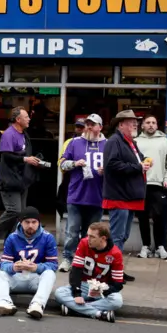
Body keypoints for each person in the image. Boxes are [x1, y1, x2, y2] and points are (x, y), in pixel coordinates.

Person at [102, 110, 151, 282]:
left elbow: (135, 161)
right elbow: (112, 165)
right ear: (120, 124)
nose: (135, 124)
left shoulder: (130, 142)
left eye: (136, 121)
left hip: (129, 197)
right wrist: (138, 167)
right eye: (131, 122)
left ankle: (117, 270)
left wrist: (144, 161)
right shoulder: (114, 141)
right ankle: (111, 272)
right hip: (120, 196)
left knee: (122, 236)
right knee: (117, 237)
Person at [0, 206, 58, 320]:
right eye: (27, 222)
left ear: (39, 222)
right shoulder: (12, 238)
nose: (30, 225)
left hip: (36, 279)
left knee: (50, 274)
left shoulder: (48, 238)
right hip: (17, 278)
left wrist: (36, 267)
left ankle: (37, 305)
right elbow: (3, 263)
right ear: (20, 222)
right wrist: (13, 267)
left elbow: (53, 264)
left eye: (34, 222)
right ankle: (5, 303)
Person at [58, 114, 106, 272]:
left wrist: (106, 171)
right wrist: (74, 163)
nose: (89, 127)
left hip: (97, 196)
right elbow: (62, 163)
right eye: (88, 124)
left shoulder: (107, 144)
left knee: (91, 233)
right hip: (76, 194)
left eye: (93, 124)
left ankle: (87, 260)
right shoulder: (75, 142)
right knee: (72, 230)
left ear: (100, 127)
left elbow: (115, 167)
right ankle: (68, 258)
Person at [54, 222, 124, 323]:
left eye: (92, 237)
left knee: (117, 301)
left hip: (102, 289)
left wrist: (103, 291)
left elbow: (118, 284)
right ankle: (98, 313)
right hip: (84, 285)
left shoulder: (115, 253)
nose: (88, 239)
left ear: (103, 239)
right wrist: (77, 293)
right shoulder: (84, 243)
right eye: (88, 235)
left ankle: (75, 309)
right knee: (59, 293)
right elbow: (75, 271)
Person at [135, 115, 167, 259]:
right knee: (143, 218)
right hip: (140, 185)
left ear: (157, 125)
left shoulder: (164, 142)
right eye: (148, 123)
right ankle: (146, 246)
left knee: (160, 218)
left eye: (154, 122)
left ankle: (160, 247)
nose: (151, 125)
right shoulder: (136, 142)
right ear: (142, 125)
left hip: (159, 185)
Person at [0, 106, 40, 239]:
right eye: (26, 117)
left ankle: (14, 239)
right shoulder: (9, 134)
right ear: (18, 119)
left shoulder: (24, 134)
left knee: (21, 214)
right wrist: (25, 159)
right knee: (14, 210)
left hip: (22, 180)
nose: (29, 119)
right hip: (9, 179)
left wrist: (34, 160)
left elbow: (25, 153)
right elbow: (6, 156)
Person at [56, 118, 87, 218]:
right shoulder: (69, 142)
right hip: (71, 176)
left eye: (81, 127)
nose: (78, 129)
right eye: (77, 126)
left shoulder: (92, 142)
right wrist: (73, 165)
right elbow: (61, 162)